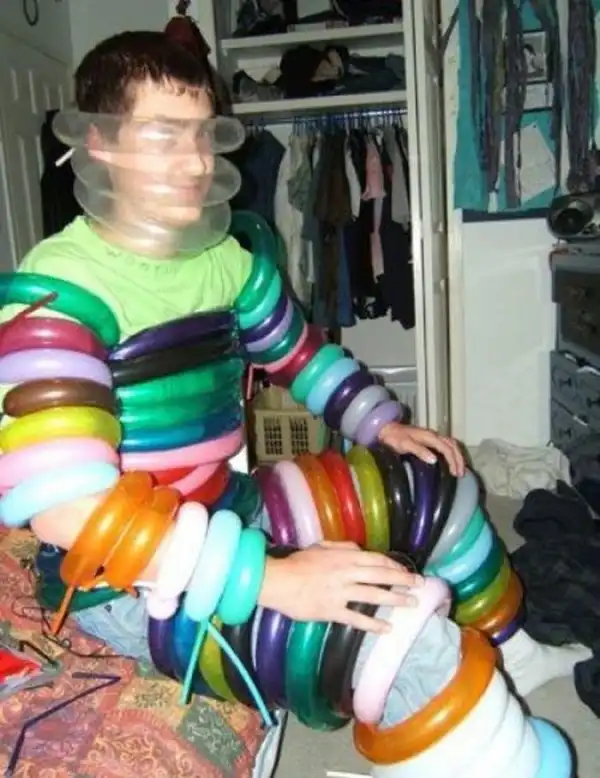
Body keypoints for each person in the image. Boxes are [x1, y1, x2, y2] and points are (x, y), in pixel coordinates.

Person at [1, 30, 464, 657]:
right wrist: (275, 580)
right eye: (164, 135)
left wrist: (381, 425)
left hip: (229, 508)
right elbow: (65, 511)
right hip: (130, 577)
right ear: (99, 142)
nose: (198, 163)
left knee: (436, 482)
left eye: (202, 135)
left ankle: (508, 639)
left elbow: (298, 354)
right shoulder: (61, 287)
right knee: (403, 637)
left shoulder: (227, 262)